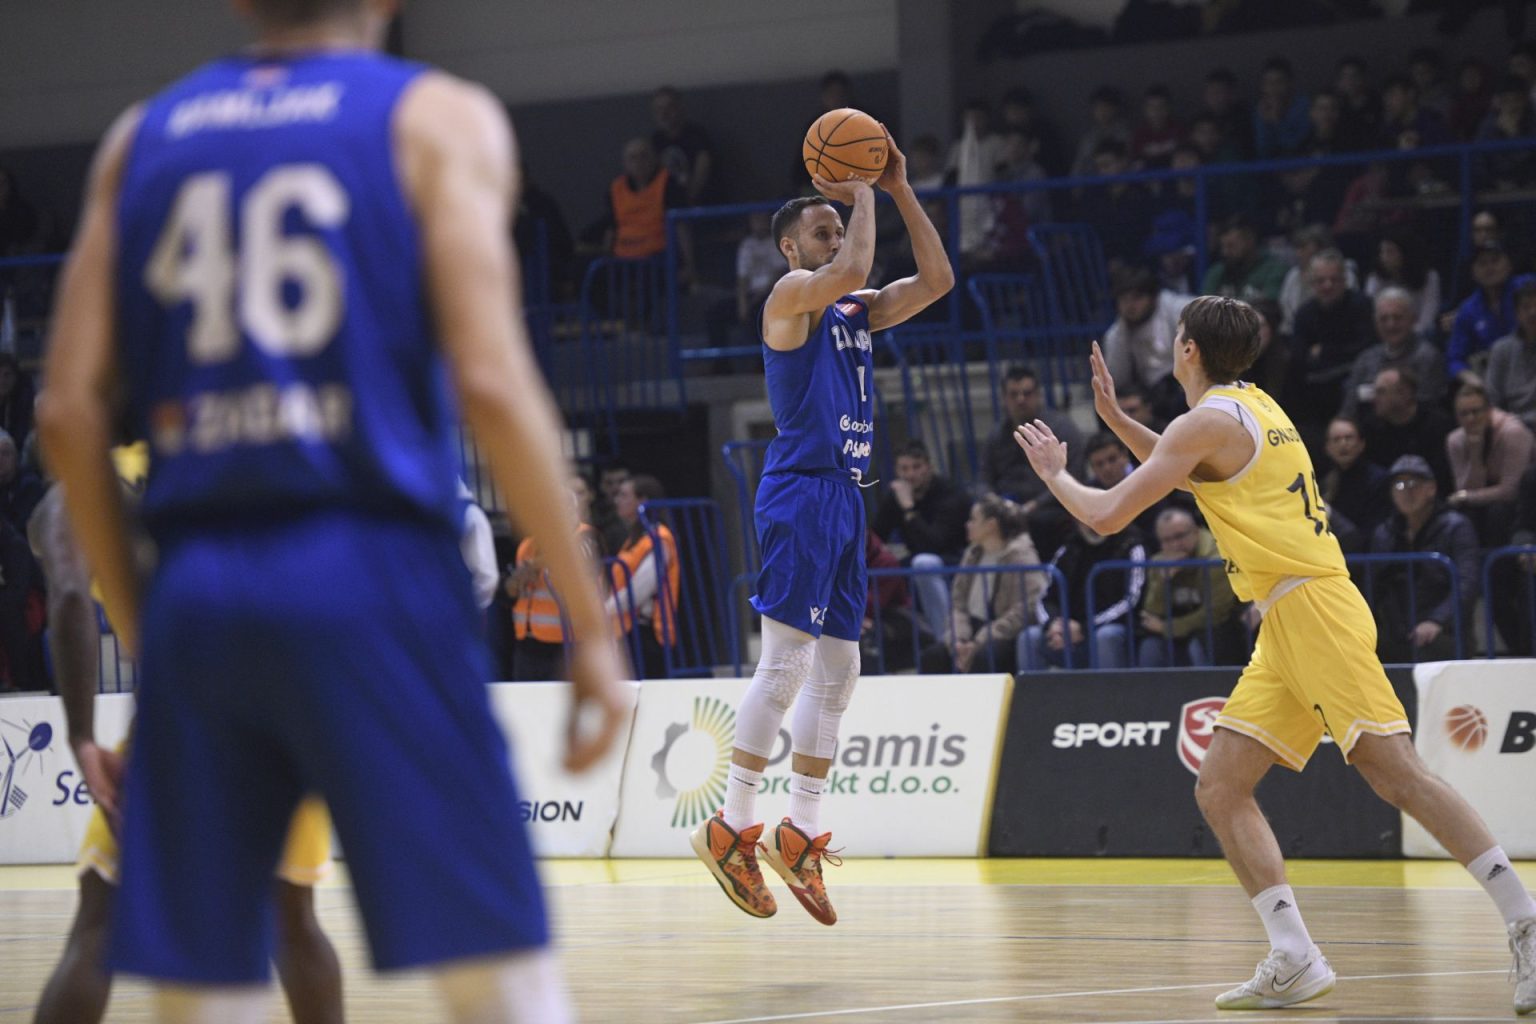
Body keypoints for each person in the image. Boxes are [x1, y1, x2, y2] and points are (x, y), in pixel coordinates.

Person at [39, 3, 632, 1022]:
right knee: (499, 979)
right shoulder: (438, 118)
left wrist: (148, 630)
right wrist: (590, 621)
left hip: (200, 591)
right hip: (374, 573)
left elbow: (64, 412)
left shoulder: (139, 139)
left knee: (201, 989)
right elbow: (493, 383)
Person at [1011, 299, 1535, 1013]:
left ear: (1188, 350)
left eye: (1177, 338)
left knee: (1399, 776)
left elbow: (1104, 515)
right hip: (1288, 618)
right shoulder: (1254, 405)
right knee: (1221, 786)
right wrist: (1117, 420)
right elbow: (1188, 468)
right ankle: (1294, 955)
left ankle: (1525, 919)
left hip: (1313, 610)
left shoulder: (1206, 421)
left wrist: (1053, 473)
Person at [691, 127, 952, 926]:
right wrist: (861, 188)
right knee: (785, 666)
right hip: (800, 492)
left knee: (841, 669)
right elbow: (853, 270)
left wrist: (898, 187)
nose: (836, 238)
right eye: (822, 229)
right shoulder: (789, 300)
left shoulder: (854, 311)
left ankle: (799, 833)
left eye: (839, 227)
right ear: (789, 248)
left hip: (843, 497)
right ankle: (730, 826)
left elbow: (938, 280)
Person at [29, 448, 344, 1024]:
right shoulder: (205, 449)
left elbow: (70, 596)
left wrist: (82, 737)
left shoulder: (82, 486)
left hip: (188, 706)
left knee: (100, 924)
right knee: (292, 921)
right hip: (292, 694)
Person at [1367, 455, 1479, 664]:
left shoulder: (1456, 526)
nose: (1406, 491)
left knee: (1431, 651)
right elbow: (1374, 585)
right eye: (1399, 485)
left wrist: (1436, 621)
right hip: (1396, 631)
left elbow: (1467, 583)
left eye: (1414, 484)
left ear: (1431, 488)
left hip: (1444, 631)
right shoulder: (1384, 533)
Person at [918, 496, 1043, 675]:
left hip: (1005, 634)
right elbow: (958, 602)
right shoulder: (973, 554)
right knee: (933, 657)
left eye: (973, 519)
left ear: (991, 525)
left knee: (984, 658)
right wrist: (958, 639)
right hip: (971, 630)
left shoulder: (1021, 556)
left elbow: (1029, 606)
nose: (967, 524)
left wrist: (983, 638)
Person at [870, 439, 972, 644]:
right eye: (904, 468)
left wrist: (909, 508)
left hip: (955, 560)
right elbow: (876, 537)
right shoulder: (896, 496)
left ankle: (946, 640)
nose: (910, 474)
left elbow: (934, 544)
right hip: (915, 560)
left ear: (929, 467)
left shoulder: (950, 493)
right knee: (886, 567)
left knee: (923, 563)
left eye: (916, 467)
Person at [509, 478, 606, 683]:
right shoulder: (527, 545)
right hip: (528, 642)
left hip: (569, 642)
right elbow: (512, 590)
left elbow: (574, 557)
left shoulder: (586, 536)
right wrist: (516, 580)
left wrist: (534, 565)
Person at [1019, 518, 1145, 670]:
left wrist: (1084, 628)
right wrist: (1054, 625)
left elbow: (1132, 600)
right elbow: (1046, 596)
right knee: (1029, 637)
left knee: (1106, 636)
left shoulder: (1131, 546)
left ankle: (1111, 686)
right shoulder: (1068, 548)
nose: (1093, 522)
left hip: (1113, 627)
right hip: (1069, 630)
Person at [1138, 506, 1242, 668]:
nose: (1175, 545)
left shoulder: (1217, 560)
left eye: (1179, 536)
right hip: (1179, 625)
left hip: (1220, 629)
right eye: (1166, 540)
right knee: (1150, 647)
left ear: (1196, 532)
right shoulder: (1159, 562)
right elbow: (1151, 613)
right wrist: (1163, 581)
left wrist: (1168, 627)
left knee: (1199, 644)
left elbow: (1216, 613)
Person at [607, 474, 679, 680]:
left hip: (647, 633)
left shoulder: (659, 538)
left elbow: (640, 589)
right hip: (628, 629)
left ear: (643, 501)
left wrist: (605, 609)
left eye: (624, 495)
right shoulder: (635, 539)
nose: (617, 500)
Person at [1338, 288, 1447, 420]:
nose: (1391, 325)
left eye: (1398, 318)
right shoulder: (1366, 359)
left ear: (1413, 319)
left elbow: (1429, 408)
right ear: (1375, 323)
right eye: (1384, 319)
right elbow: (1349, 409)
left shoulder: (1428, 357)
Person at [1486, 275, 1536, 432]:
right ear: (1517, 314)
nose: (1533, 312)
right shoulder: (1501, 349)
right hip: (1512, 427)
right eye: (1526, 307)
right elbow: (1492, 399)